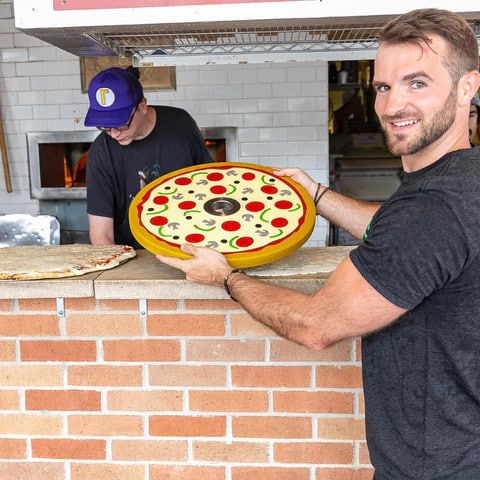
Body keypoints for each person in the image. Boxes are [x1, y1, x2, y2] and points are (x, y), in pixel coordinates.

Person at [156, 8, 480, 480]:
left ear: (468, 86)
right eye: (384, 87)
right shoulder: (462, 180)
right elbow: (402, 238)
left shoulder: (430, 211)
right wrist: (317, 195)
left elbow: (316, 325)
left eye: (417, 83)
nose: (391, 106)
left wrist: (226, 276)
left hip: (434, 468)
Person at [84, 67, 213, 248]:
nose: (113, 134)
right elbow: (101, 234)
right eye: (105, 127)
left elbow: (209, 184)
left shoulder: (180, 124)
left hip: (189, 245)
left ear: (142, 106)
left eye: (121, 125)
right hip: (133, 255)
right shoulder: (101, 153)